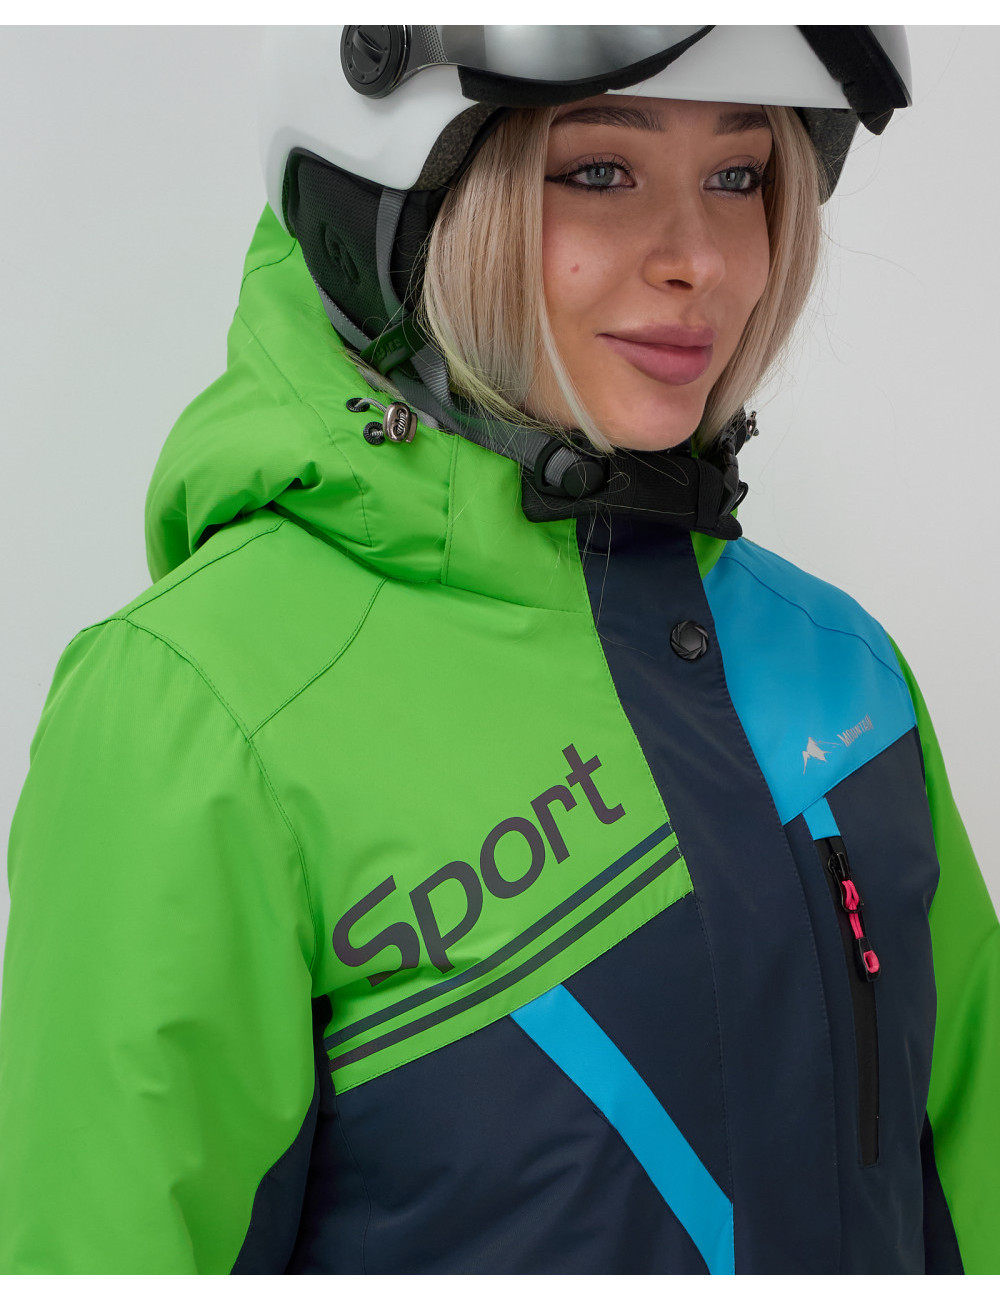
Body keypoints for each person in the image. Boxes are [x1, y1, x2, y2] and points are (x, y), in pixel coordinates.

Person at [0, 23, 997, 1275]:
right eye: (599, 172)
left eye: (738, 175)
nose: (698, 259)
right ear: (395, 208)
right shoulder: (198, 713)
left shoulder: (845, 674)